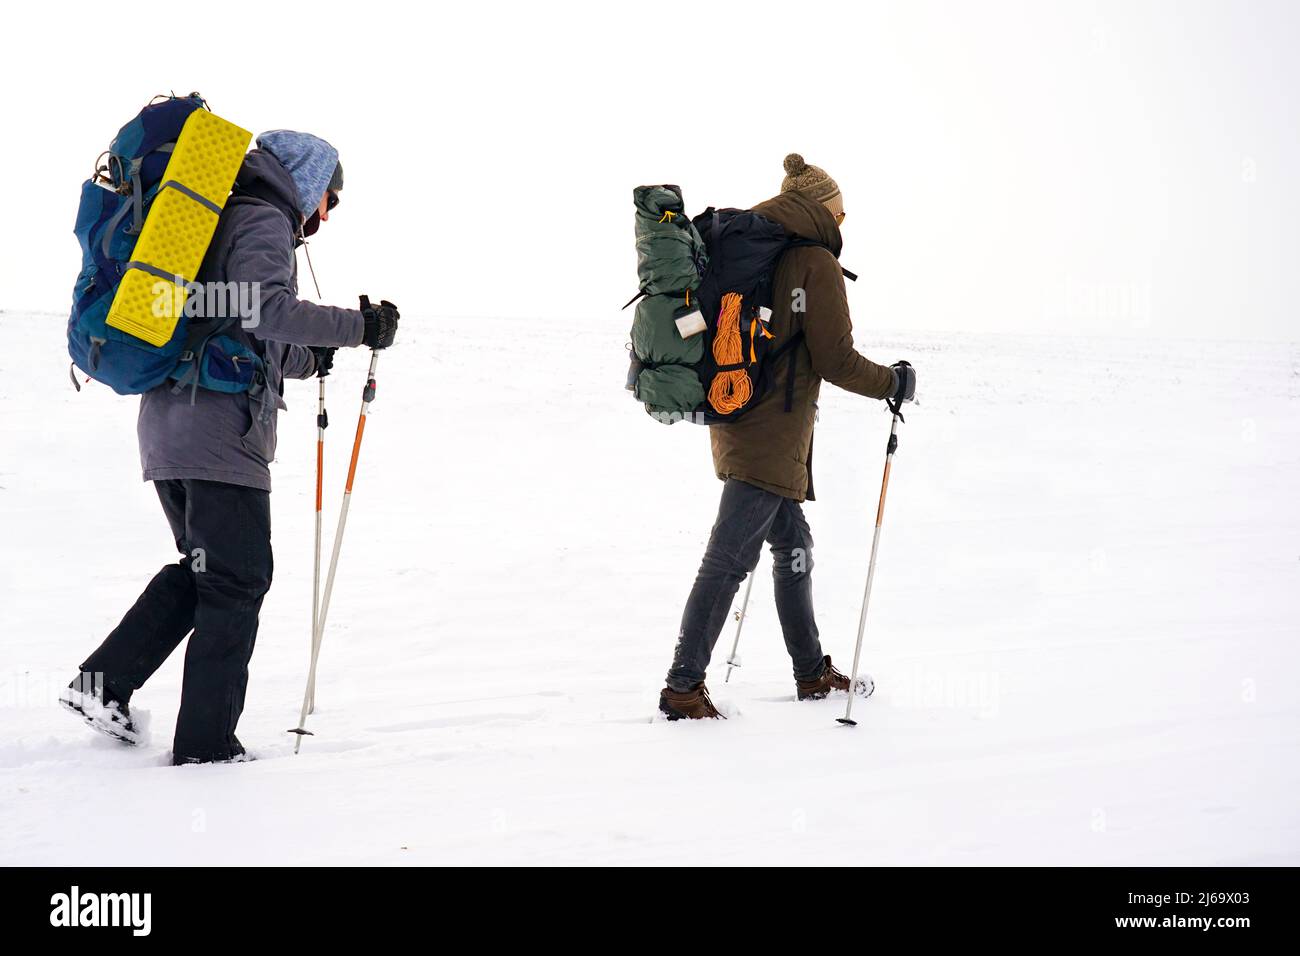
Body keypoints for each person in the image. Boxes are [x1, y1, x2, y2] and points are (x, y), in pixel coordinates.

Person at [59, 130, 401, 763]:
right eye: (331, 198)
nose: (327, 215)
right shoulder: (263, 219)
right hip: (217, 433)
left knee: (209, 571)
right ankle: (206, 747)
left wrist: (313, 355)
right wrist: (358, 326)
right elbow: (267, 310)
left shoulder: (219, 220)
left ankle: (101, 685)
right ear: (307, 182)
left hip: (171, 425)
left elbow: (234, 321)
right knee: (238, 580)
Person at [659, 153, 916, 720]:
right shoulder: (812, 261)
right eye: (841, 213)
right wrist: (893, 383)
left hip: (738, 417)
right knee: (728, 560)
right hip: (770, 435)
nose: (843, 224)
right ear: (823, 208)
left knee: (793, 547)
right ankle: (682, 687)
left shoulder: (760, 250)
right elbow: (836, 359)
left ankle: (810, 672)